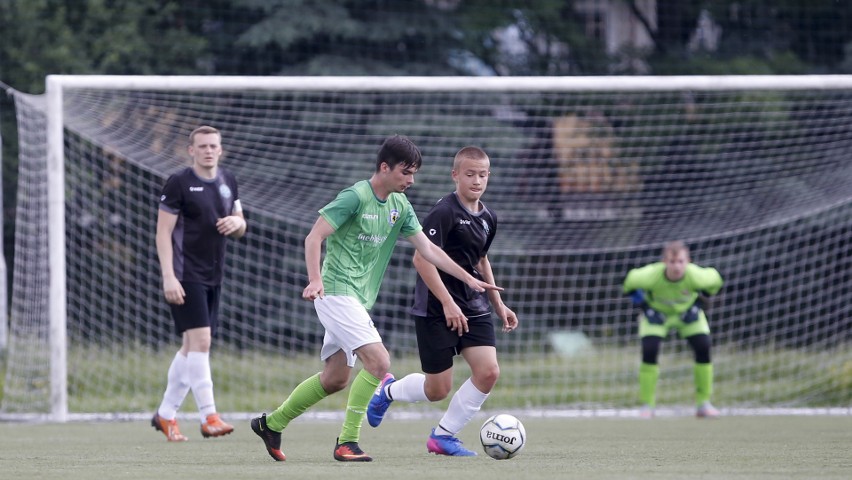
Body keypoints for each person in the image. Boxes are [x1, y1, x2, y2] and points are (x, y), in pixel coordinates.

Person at [250, 135, 501, 462]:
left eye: (414, 174)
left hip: (356, 299)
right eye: (405, 173)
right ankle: (347, 442)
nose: (411, 180)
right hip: (335, 292)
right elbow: (314, 237)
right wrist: (314, 279)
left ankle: (272, 423)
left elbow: (428, 251)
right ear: (385, 168)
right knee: (380, 362)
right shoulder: (355, 197)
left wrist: (468, 277)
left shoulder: (400, 206)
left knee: (335, 378)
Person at [365, 146, 518, 457]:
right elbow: (421, 260)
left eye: (483, 175)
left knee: (488, 372)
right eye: (470, 174)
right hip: (436, 308)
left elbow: (481, 259)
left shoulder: (489, 217)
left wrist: (499, 304)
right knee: (438, 390)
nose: (477, 181)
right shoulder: (444, 212)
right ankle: (389, 390)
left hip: (474, 306)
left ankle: (443, 436)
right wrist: (448, 303)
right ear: (455, 175)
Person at [151, 125, 246, 441]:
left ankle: (165, 415)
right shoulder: (179, 183)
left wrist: (238, 223)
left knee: (192, 346)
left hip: (213, 275)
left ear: (221, 149)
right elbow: (163, 232)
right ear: (191, 150)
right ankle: (210, 416)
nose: (208, 150)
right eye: (202, 146)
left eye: (213, 146)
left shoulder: (228, 181)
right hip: (184, 274)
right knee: (201, 342)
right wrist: (168, 277)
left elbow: (240, 222)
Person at [622, 241, 723, 418]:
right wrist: (647, 309)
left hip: (688, 314)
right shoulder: (649, 275)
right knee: (649, 349)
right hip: (657, 315)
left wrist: (697, 305)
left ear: (688, 261)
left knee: (703, 346)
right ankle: (647, 405)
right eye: (672, 261)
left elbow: (715, 284)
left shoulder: (697, 275)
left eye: (681, 262)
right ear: (664, 262)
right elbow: (628, 285)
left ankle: (703, 404)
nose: (676, 266)